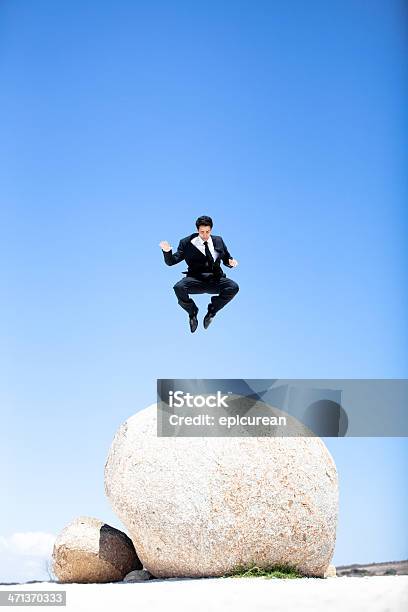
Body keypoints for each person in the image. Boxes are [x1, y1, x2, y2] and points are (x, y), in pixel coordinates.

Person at [159, 215, 239, 332]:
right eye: (202, 232)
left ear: (211, 230)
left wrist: (231, 262)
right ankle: (192, 312)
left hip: (215, 279)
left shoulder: (218, 240)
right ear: (197, 230)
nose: (205, 235)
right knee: (178, 287)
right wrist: (166, 251)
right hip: (195, 280)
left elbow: (226, 258)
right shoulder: (186, 243)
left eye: (208, 232)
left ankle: (212, 311)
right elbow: (171, 261)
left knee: (233, 287)